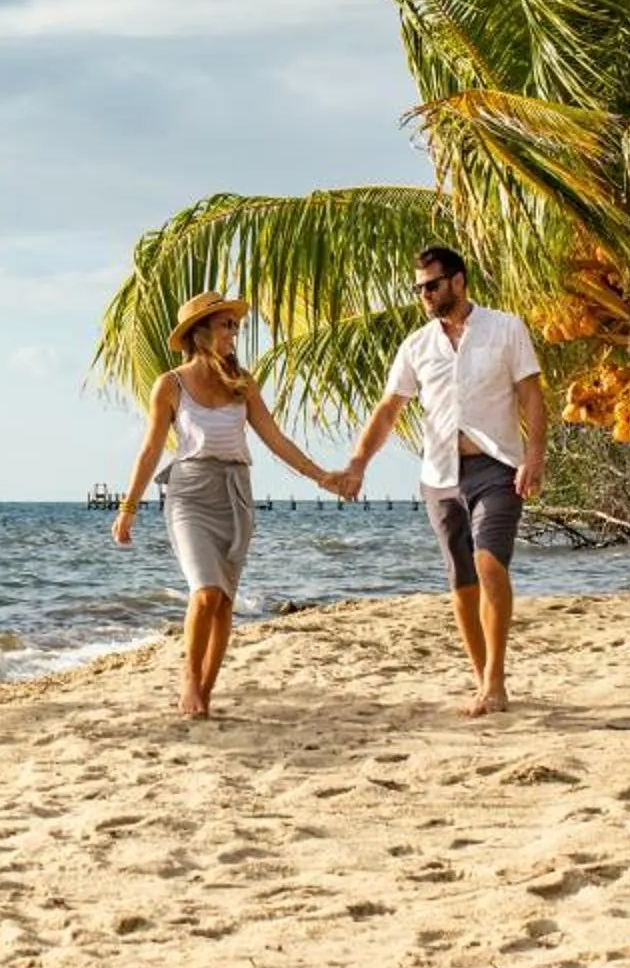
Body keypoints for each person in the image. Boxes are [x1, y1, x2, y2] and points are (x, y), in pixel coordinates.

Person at [332, 247, 546, 716]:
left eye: (431, 285)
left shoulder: (506, 328)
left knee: (489, 562)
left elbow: (532, 395)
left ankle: (495, 680)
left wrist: (534, 457)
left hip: (497, 465)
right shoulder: (416, 346)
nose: (424, 295)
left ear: (458, 281)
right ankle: (480, 676)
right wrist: (358, 463)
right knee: (461, 580)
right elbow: (389, 410)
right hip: (439, 476)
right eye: (419, 288)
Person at [113, 293, 344, 718]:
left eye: (233, 326)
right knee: (204, 591)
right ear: (199, 333)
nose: (233, 333)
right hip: (189, 493)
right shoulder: (170, 384)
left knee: (223, 601)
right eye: (224, 326)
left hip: (236, 492)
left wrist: (321, 475)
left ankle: (205, 691)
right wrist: (128, 507)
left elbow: (276, 439)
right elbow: (149, 450)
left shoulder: (244, 382)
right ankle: (188, 682)